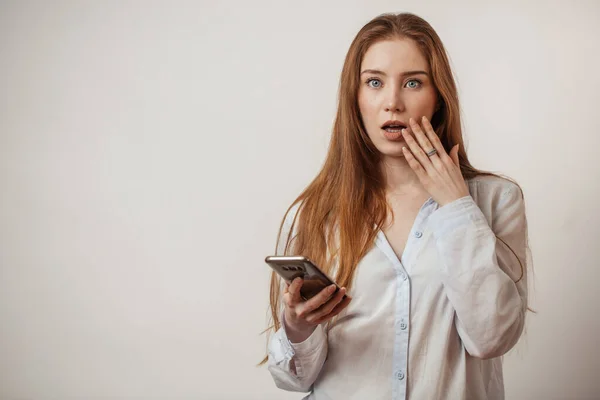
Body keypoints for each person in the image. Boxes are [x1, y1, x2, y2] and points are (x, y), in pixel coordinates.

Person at [260, 12, 530, 400]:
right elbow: (292, 379)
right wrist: (297, 330)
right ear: (355, 99)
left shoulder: (495, 200)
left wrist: (456, 205)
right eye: (374, 82)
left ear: (438, 98)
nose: (392, 103)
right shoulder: (317, 212)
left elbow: (491, 337)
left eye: (413, 83)